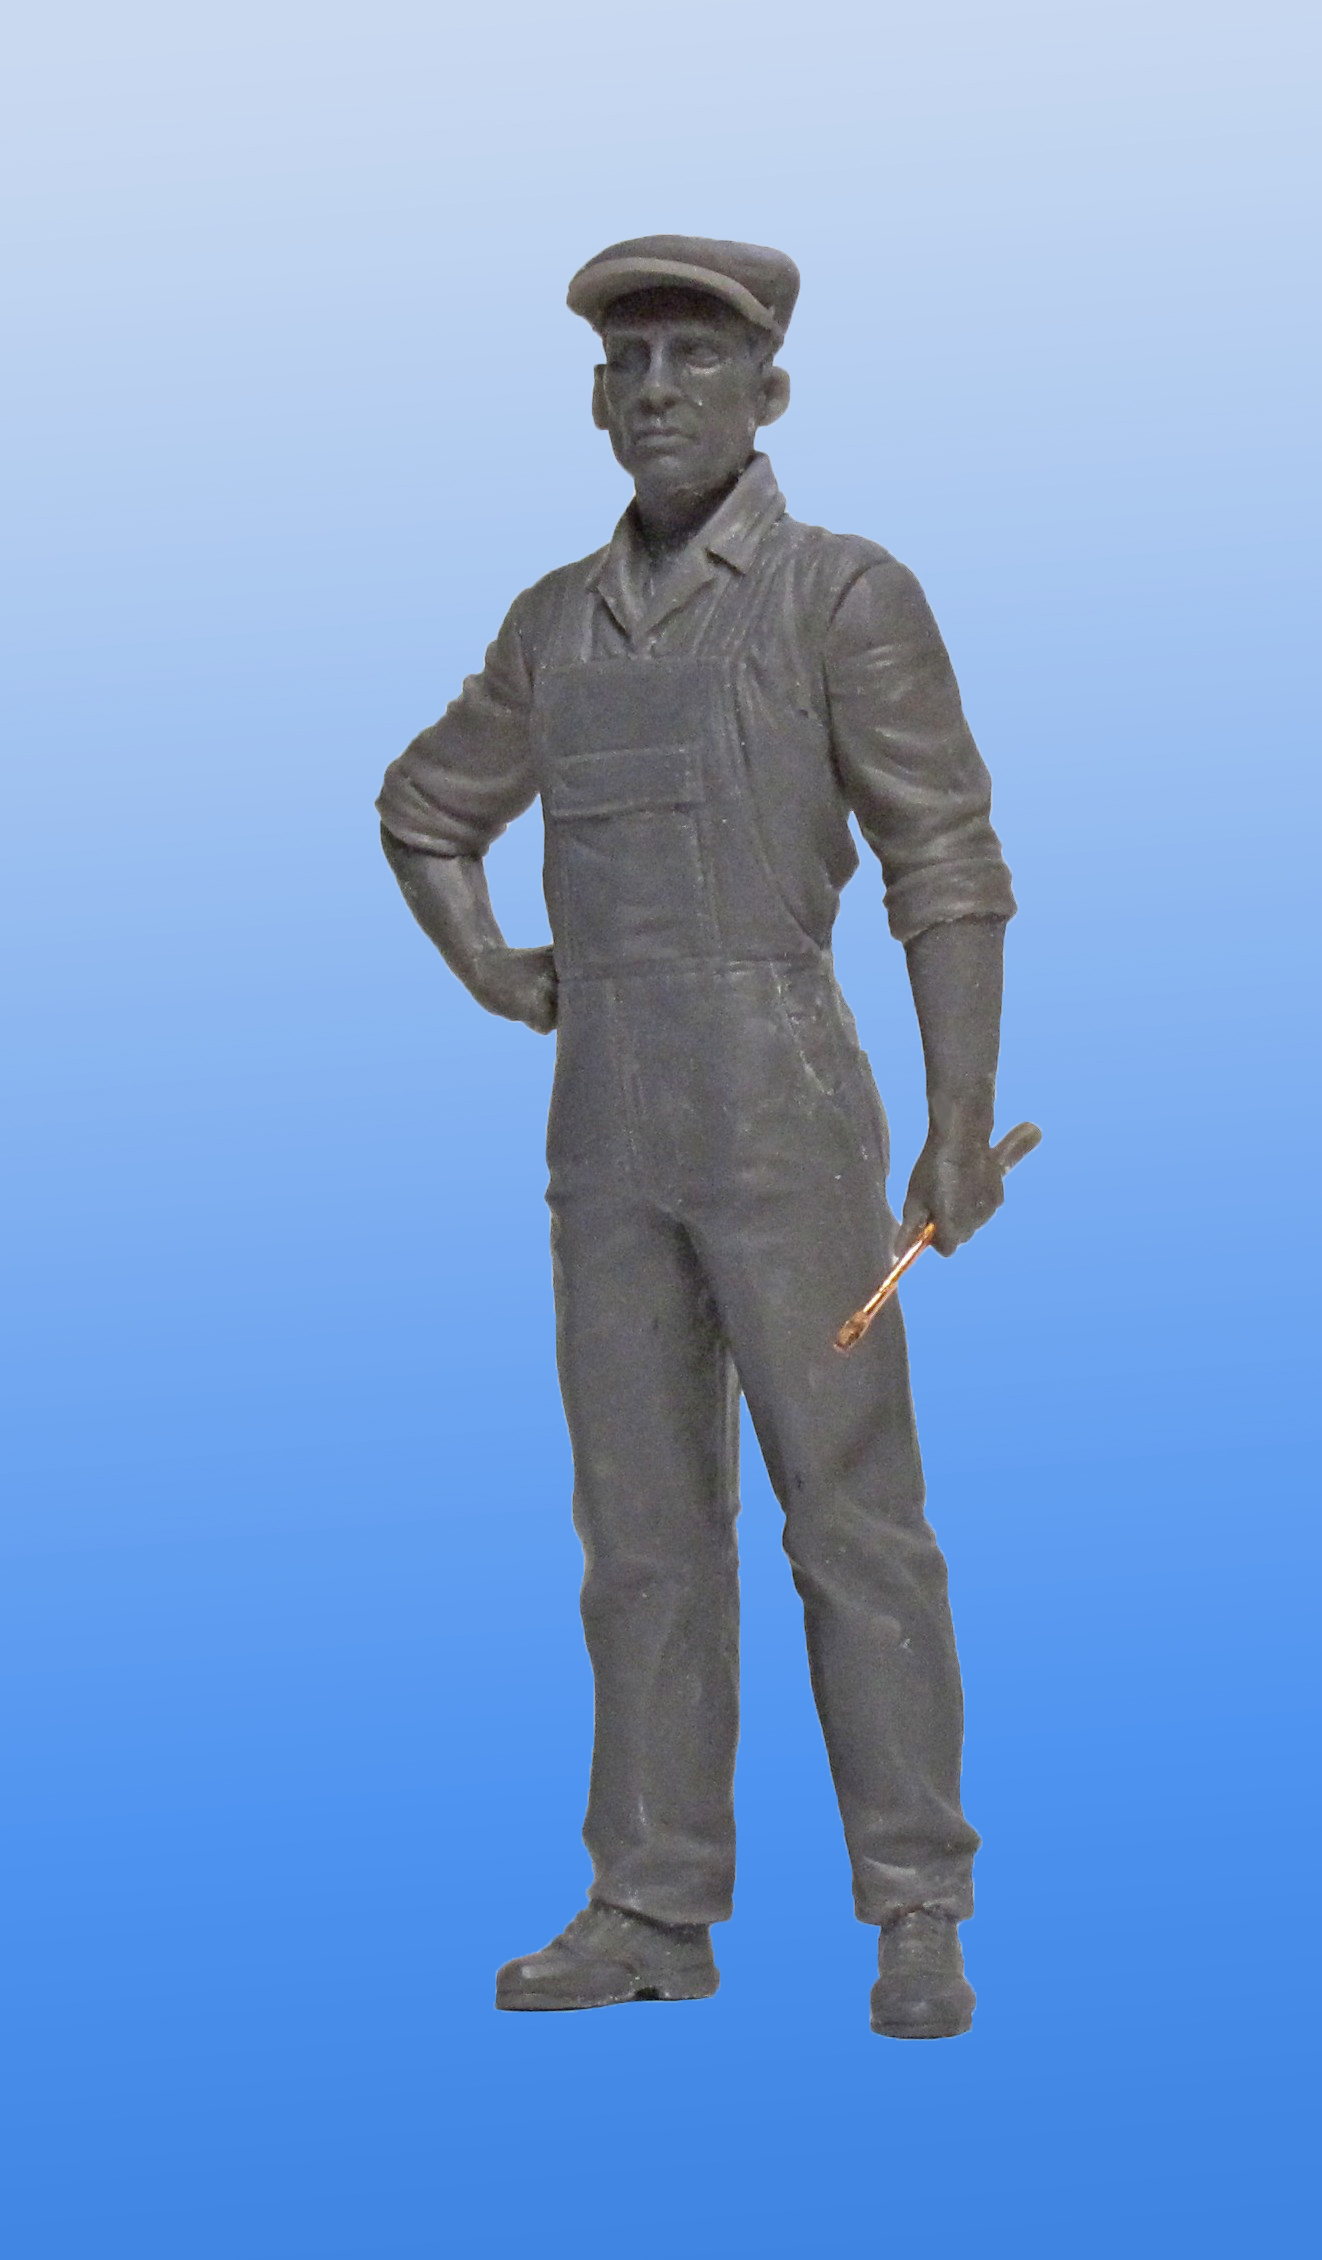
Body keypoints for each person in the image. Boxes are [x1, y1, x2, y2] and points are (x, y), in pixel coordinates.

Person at [377, 236, 1017, 2038]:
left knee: (854, 1522)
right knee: (641, 1537)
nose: (657, 392)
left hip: (785, 1111)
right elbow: (423, 810)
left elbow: (944, 860)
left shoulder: (841, 595)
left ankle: (914, 1902)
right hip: (603, 1134)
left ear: (768, 391)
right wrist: (496, 969)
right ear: (596, 401)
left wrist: (959, 1114)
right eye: (629, 364)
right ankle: (652, 1904)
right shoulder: (552, 625)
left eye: (695, 359)